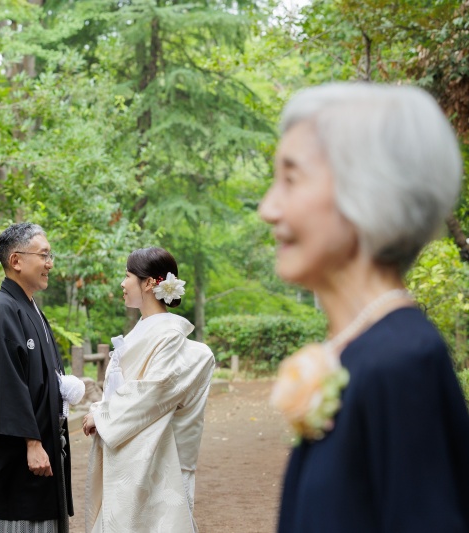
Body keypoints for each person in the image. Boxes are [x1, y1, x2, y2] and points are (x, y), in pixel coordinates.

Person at [260, 83, 469, 532]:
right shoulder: (363, 352)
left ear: (368, 191)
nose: (268, 208)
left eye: (290, 180)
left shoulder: (401, 365)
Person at [82, 247, 216, 533]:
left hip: (155, 451)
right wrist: (103, 409)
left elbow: (155, 390)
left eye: (128, 275)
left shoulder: (168, 335)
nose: (122, 283)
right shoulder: (143, 331)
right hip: (129, 446)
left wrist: (104, 415)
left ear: (150, 283)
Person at [0, 222, 79, 533]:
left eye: (50, 255)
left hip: (45, 442)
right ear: (16, 261)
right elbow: (7, 383)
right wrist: (32, 443)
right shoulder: (0, 308)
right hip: (19, 453)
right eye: (44, 255)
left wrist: (63, 387)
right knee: (17, 519)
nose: (50, 263)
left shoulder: (32, 309)